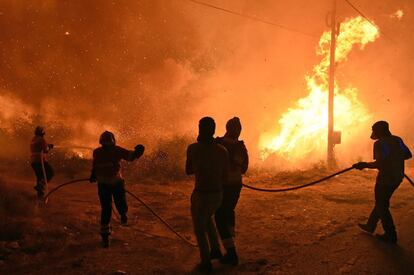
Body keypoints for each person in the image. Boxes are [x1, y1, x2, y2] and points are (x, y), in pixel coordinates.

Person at [353, 121, 411, 243]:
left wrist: (363, 164)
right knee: (381, 202)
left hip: (385, 179)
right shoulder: (397, 139)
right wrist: (395, 159)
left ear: (380, 131)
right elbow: (408, 155)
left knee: (382, 205)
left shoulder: (380, 144)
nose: (373, 133)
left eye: (374, 130)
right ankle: (370, 225)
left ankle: (391, 235)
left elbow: (379, 164)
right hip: (397, 177)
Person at [186, 117, 229, 273]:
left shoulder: (193, 148)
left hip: (201, 194)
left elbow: (188, 170)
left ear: (200, 129)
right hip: (217, 195)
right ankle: (216, 249)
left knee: (199, 229)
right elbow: (225, 175)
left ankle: (206, 261)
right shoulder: (222, 150)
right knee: (208, 218)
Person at [89, 131, 145, 248]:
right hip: (115, 182)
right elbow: (131, 157)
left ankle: (106, 234)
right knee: (118, 203)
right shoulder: (116, 150)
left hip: (104, 184)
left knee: (107, 208)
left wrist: (93, 176)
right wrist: (138, 152)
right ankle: (122, 216)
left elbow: (95, 166)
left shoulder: (97, 152)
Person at [215, 117, 248, 265]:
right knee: (229, 213)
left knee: (220, 216)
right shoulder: (241, 147)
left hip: (222, 186)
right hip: (235, 185)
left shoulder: (218, 144)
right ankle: (230, 246)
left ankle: (231, 253)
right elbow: (245, 168)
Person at [30, 126, 54, 200]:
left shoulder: (33, 139)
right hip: (40, 161)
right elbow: (46, 150)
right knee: (50, 172)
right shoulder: (41, 139)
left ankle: (40, 197)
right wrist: (49, 146)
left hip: (33, 162)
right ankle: (41, 185)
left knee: (39, 177)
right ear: (42, 133)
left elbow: (39, 147)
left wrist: (47, 146)